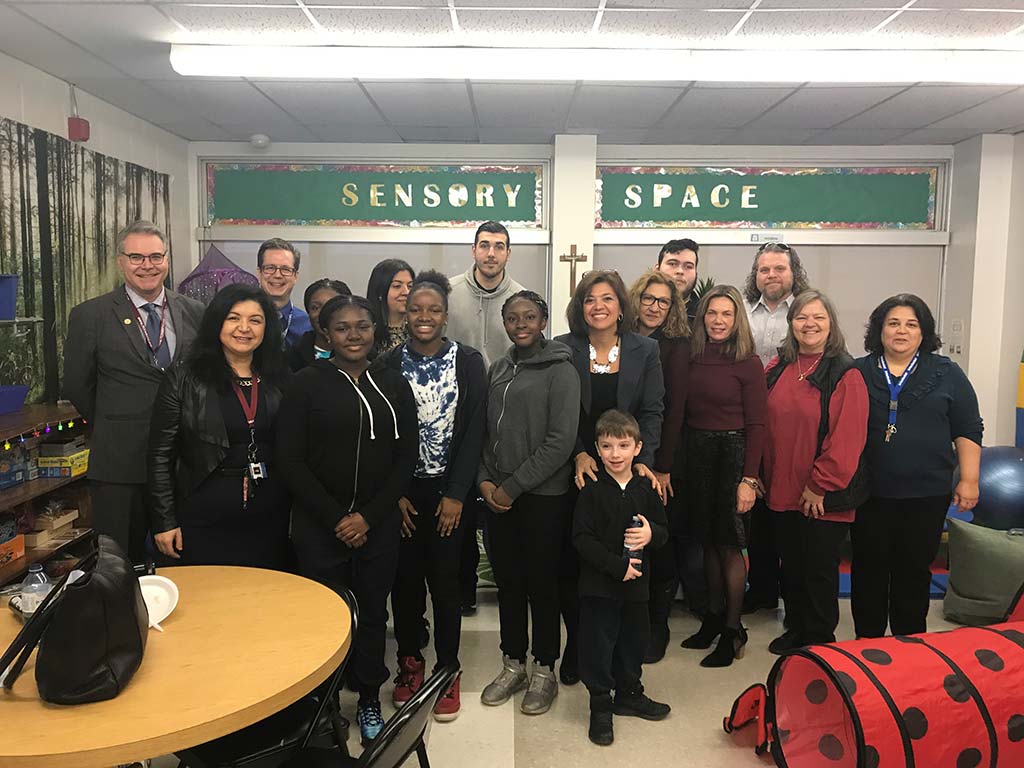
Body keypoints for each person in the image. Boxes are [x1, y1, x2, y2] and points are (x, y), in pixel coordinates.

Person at [276, 292, 419, 745]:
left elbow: (405, 457)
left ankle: (370, 697)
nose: (354, 335)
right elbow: (290, 459)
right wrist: (338, 517)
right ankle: (327, 705)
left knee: (374, 615)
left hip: (377, 526)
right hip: (320, 526)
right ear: (326, 332)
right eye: (343, 327)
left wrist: (369, 518)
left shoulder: (394, 384)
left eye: (363, 326)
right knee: (327, 618)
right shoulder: (304, 384)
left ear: (376, 330)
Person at [380, 270, 487, 724]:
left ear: (446, 315)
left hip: (451, 491)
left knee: (445, 584)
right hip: (403, 494)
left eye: (434, 310)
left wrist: (458, 494)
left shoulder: (468, 361)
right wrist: (396, 494)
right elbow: (382, 436)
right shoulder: (385, 364)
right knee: (404, 585)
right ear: (405, 311)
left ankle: (447, 668)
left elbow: (475, 431)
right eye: (416, 308)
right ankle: (410, 663)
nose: (424, 317)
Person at [63, 220, 204, 563]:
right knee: (117, 565)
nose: (148, 266)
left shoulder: (194, 312)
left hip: (181, 464)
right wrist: (116, 424)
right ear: (120, 262)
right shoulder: (90, 316)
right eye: (137, 257)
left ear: (167, 260)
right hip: (119, 467)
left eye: (156, 256)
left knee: (183, 564)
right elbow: (78, 385)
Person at [555, 269, 665, 686]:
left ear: (621, 306)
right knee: (577, 562)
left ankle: (618, 654)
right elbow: (561, 413)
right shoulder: (564, 348)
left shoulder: (645, 349)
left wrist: (643, 460)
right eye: (589, 299)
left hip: (625, 467)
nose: (598, 306)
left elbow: (653, 409)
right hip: (579, 469)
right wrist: (579, 453)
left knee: (621, 559)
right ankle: (577, 646)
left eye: (606, 298)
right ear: (580, 308)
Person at [851, 294, 982, 638]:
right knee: (868, 571)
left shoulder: (947, 373)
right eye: (893, 323)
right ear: (879, 329)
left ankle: (909, 647)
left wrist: (969, 479)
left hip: (926, 493)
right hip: (869, 493)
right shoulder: (857, 371)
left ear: (924, 333)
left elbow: (968, 428)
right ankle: (867, 647)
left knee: (913, 572)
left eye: (912, 324)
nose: (901, 331)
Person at [478, 290, 580, 716]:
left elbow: (560, 443)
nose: (521, 324)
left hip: (542, 499)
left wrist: (512, 487)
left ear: (543, 321)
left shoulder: (561, 371)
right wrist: (485, 480)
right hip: (497, 497)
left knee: (542, 585)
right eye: (513, 318)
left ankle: (544, 669)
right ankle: (512, 663)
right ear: (505, 323)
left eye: (530, 317)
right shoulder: (499, 368)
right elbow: (486, 431)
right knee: (509, 584)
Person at [148, 284, 292, 569]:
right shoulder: (185, 377)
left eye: (255, 320)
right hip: (203, 512)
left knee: (265, 598)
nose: (244, 328)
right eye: (233, 318)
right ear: (217, 323)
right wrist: (164, 521)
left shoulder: (281, 376)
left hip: (268, 512)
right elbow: (160, 455)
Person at [762, 290, 868, 653]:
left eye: (818, 317)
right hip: (782, 488)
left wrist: (820, 486)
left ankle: (820, 641)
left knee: (818, 571)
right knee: (791, 567)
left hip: (821, 494)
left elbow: (847, 438)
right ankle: (796, 629)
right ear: (791, 325)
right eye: (801, 317)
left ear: (831, 324)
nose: (810, 324)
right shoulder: (779, 368)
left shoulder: (845, 371)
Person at [679, 285, 766, 668]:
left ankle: (733, 629)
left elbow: (758, 424)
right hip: (697, 452)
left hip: (733, 456)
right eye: (711, 313)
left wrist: (749, 480)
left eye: (726, 314)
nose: (717, 320)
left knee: (730, 545)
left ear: (737, 320)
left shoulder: (748, 362)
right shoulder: (692, 357)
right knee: (707, 543)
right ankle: (713, 618)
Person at [575, 410, 670, 747]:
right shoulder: (591, 488)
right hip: (599, 587)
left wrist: (650, 534)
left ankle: (629, 692)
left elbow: (663, 532)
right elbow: (582, 539)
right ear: (597, 450)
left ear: (637, 447)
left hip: (637, 588)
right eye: (607, 446)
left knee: (633, 640)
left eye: (623, 445)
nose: (615, 454)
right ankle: (600, 702)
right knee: (599, 644)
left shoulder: (646, 486)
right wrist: (617, 567)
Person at [447, 220, 525, 615]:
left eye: (499, 246)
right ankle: (461, 591)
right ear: (473, 250)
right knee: (459, 498)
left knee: (496, 501)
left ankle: (507, 584)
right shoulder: (449, 292)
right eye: (484, 245)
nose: (491, 253)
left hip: (502, 415)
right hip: (454, 414)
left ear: (508, 253)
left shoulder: (523, 299)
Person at [628, 269, 702, 662]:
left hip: (660, 460)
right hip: (622, 457)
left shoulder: (675, 346)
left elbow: (673, 411)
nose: (655, 307)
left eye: (664, 301)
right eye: (648, 298)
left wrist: (661, 466)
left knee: (660, 544)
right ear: (636, 299)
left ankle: (658, 626)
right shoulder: (621, 339)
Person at [742, 242, 811, 616]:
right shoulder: (743, 312)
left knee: (790, 513)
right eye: (765, 269)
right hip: (750, 421)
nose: (772, 275)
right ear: (756, 275)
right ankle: (763, 589)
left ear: (793, 272)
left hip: (792, 421)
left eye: (779, 269)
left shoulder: (806, 311)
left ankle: (794, 596)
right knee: (758, 515)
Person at [256, 238, 311, 349]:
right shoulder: (243, 320)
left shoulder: (308, 325)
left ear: (295, 276)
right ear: (259, 273)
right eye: (270, 268)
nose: (277, 275)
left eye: (285, 269)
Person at [287, 278, 351, 372]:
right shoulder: (292, 357)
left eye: (331, 307)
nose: (323, 314)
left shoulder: (364, 354)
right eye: (315, 308)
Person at [366, 259, 415, 356]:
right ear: (380, 291)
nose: (406, 292)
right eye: (397, 286)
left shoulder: (419, 329)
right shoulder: (367, 331)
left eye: (410, 286)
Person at [655, 238, 700, 322]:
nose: (680, 271)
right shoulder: (635, 311)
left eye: (688, 266)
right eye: (672, 264)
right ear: (657, 270)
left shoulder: (703, 316)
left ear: (696, 273)